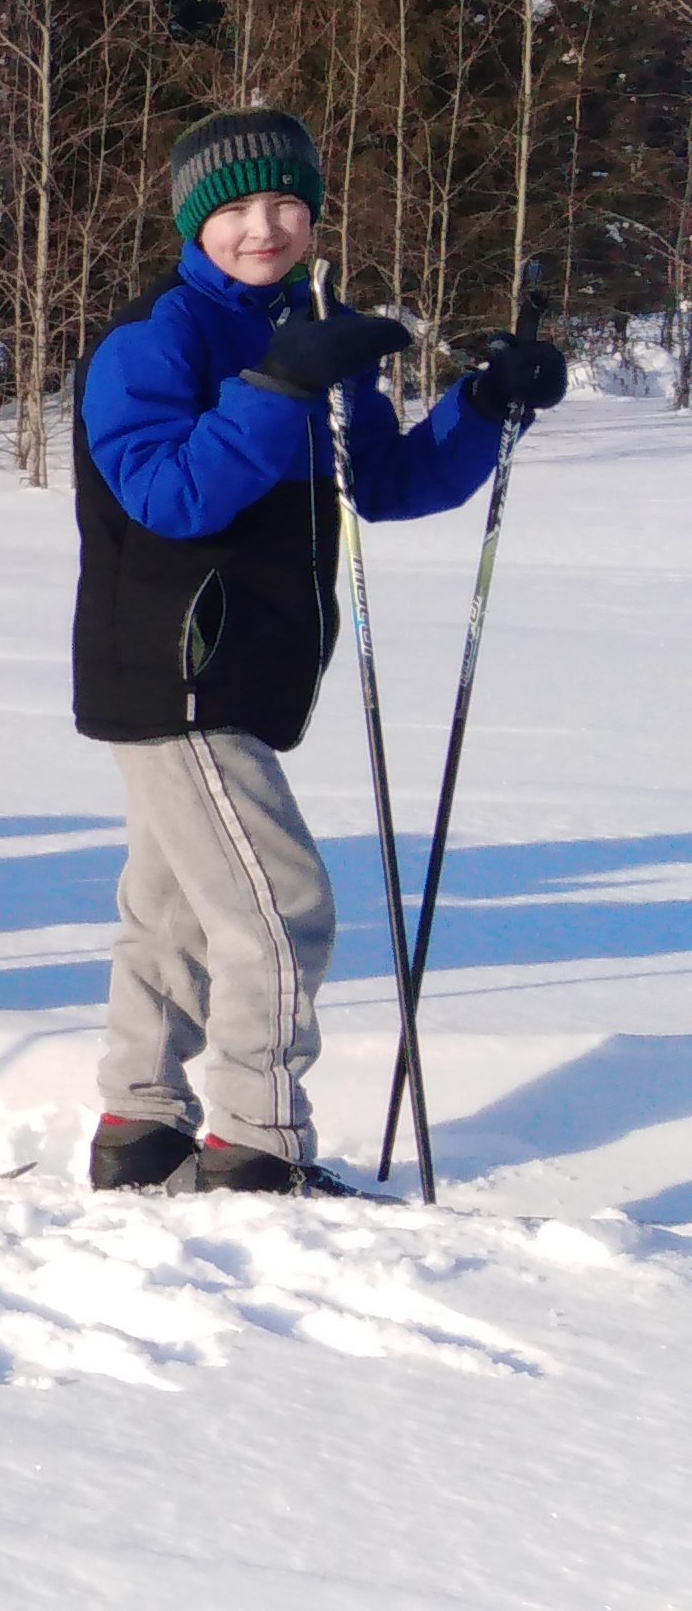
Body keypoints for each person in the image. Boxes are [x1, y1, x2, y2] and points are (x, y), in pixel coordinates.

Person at [73, 108, 559, 1196]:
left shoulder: (315, 331)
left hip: (246, 667)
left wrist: (481, 406)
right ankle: (253, 1145)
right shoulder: (150, 342)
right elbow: (164, 497)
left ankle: (137, 1127)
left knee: (173, 912)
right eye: (234, 207)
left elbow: (379, 484)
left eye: (283, 202)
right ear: (193, 221)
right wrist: (277, 385)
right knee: (276, 907)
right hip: (170, 668)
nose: (261, 226)